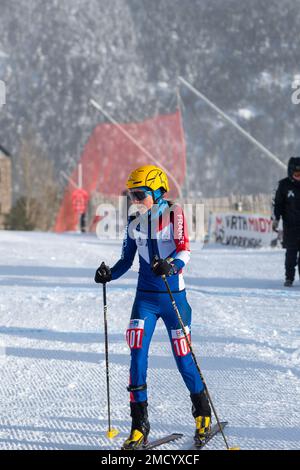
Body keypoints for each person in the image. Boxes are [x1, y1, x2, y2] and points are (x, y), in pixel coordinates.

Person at [94, 165, 211, 449]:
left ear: (158, 192)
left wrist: (170, 266)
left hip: (173, 297)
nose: (134, 200)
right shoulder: (134, 224)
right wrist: (109, 272)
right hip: (144, 299)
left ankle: (202, 414)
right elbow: (126, 261)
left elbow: (184, 249)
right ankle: (139, 425)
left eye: (140, 194)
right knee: (137, 356)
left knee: (183, 357)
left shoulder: (175, 214)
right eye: (130, 195)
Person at [272, 157, 300, 287]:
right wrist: (276, 219)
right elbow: (277, 204)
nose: (299, 177)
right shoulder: (283, 185)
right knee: (291, 254)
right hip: (291, 227)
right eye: (296, 174)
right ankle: (289, 277)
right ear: (290, 172)